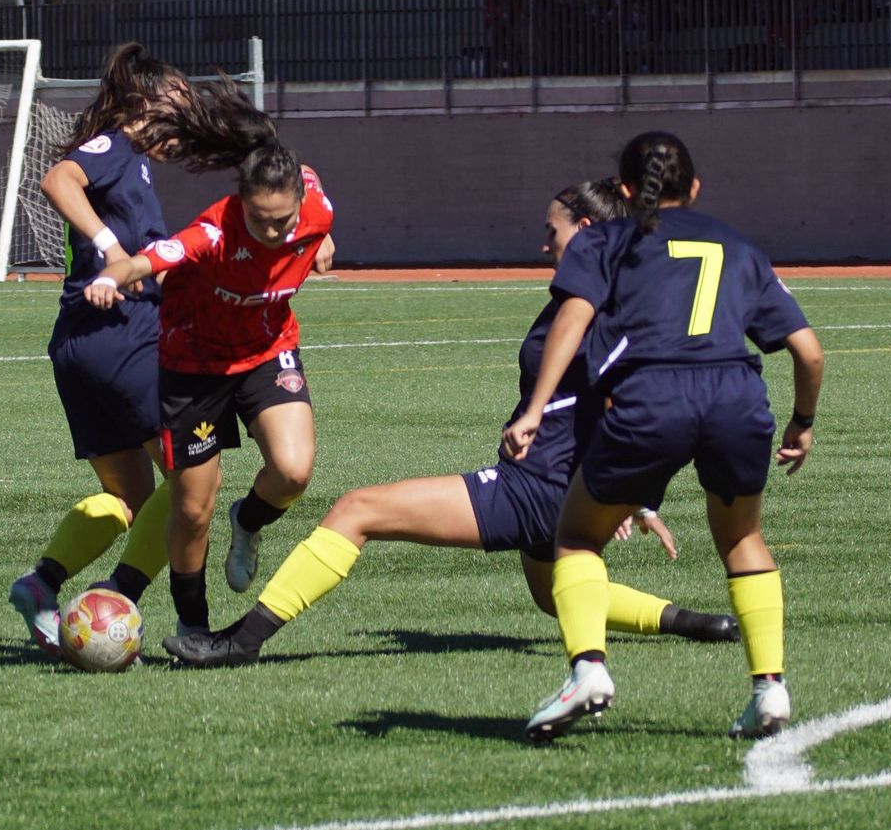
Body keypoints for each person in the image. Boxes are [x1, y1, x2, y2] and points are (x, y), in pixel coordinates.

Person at [163, 178, 740, 670]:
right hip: (557, 486)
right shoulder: (604, 294)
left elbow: (631, 403)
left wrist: (618, 493)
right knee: (554, 595)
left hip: (537, 488)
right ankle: (694, 623)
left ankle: (242, 642)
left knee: (356, 510)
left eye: (553, 232)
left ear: (586, 228)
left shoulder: (590, 307)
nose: (544, 245)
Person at [506, 131, 824, 743]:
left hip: (652, 398)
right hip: (737, 398)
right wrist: (802, 422)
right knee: (742, 538)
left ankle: (588, 671)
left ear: (625, 191)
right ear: (696, 188)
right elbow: (809, 352)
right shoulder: (739, 247)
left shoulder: (604, 240)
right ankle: (770, 688)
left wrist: (535, 408)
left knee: (574, 536)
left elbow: (573, 321)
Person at [83, 84, 334, 639]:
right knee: (193, 508)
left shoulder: (313, 207)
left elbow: (312, 181)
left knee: (293, 472)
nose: (275, 232)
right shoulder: (214, 232)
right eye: (263, 221)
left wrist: (322, 239)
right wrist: (110, 275)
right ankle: (192, 625)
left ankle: (247, 521)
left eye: (285, 220)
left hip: (267, 351)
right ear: (241, 203)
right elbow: (151, 259)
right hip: (194, 368)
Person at [8, 44, 189, 655]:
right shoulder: (117, 147)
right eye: (180, 106)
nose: (186, 122)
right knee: (194, 484)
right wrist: (113, 249)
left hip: (80, 345)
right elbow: (58, 178)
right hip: (123, 336)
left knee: (132, 501)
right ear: (145, 104)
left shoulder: (131, 164)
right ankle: (123, 602)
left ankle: (44, 583)